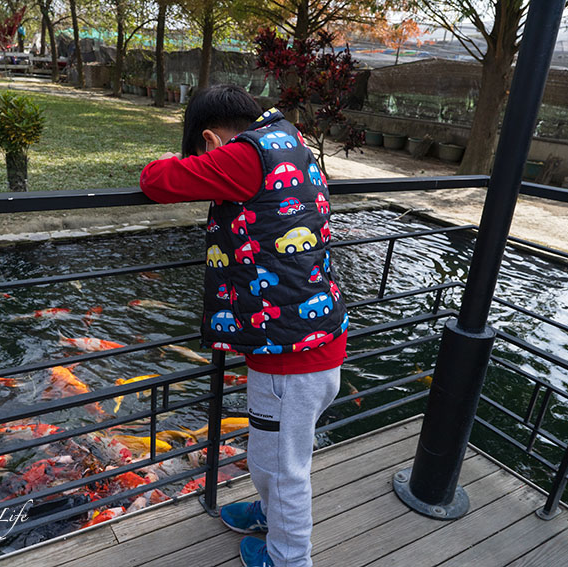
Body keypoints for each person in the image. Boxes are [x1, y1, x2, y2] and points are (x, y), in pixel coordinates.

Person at [139, 84, 348, 567]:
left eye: (202, 154)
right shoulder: (289, 141)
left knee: (285, 468)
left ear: (211, 141)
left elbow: (157, 181)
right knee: (273, 452)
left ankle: (289, 558)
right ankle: (269, 513)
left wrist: (180, 159)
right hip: (313, 341)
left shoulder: (240, 158)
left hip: (290, 360)